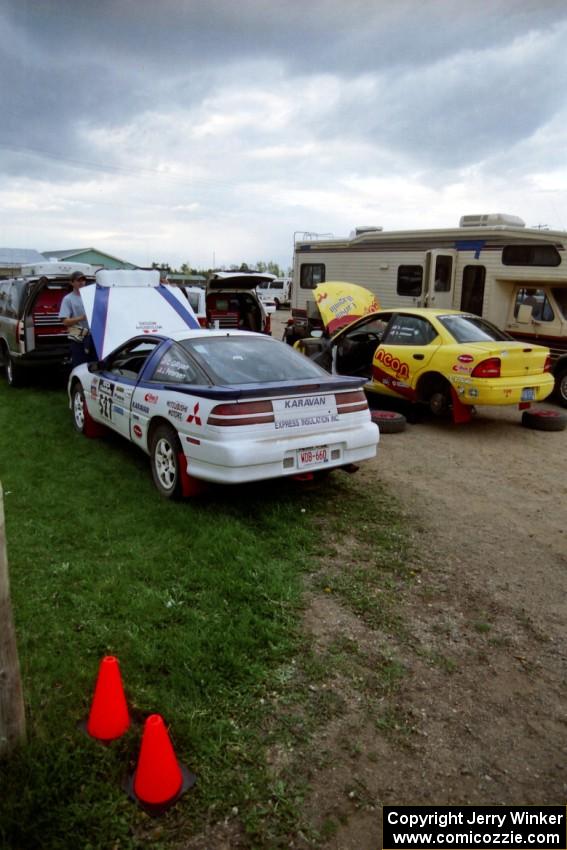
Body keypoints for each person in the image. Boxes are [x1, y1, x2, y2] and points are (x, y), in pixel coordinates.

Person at [59, 271, 95, 367]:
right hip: (78, 339)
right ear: (72, 283)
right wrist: (82, 317)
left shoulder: (92, 297)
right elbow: (65, 321)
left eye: (83, 280)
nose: (81, 282)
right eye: (78, 280)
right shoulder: (68, 299)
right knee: (80, 366)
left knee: (95, 366)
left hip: (94, 338)